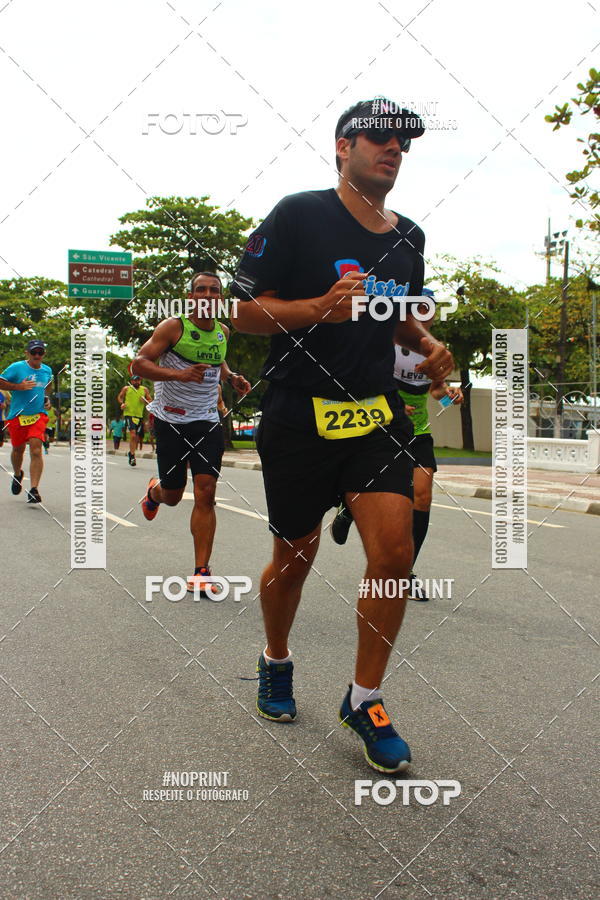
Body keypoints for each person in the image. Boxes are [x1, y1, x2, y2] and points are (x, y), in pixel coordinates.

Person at [231, 98, 453, 773]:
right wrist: (316, 309)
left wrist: (429, 341)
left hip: (373, 414)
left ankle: (365, 697)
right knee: (293, 558)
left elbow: (396, 318)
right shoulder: (298, 214)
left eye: (404, 144)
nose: (394, 151)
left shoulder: (408, 236)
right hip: (300, 411)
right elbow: (240, 311)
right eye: (380, 139)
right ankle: (275, 659)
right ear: (341, 145)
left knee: (393, 552)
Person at [332, 289, 464, 600]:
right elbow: (364, 381)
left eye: (427, 310)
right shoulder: (387, 342)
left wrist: (451, 396)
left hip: (417, 431)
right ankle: (347, 507)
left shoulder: (435, 351)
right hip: (382, 427)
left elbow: (437, 392)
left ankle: (405, 574)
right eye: (415, 308)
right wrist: (389, 403)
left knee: (423, 494)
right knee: (368, 488)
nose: (422, 315)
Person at [133, 272, 250, 591]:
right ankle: (154, 492)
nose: (208, 295)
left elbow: (219, 362)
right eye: (201, 290)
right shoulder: (174, 327)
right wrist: (179, 375)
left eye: (215, 291)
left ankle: (201, 572)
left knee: (206, 491)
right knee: (172, 494)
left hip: (207, 422)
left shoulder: (223, 331)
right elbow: (139, 364)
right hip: (170, 421)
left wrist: (232, 377)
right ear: (190, 298)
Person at [0, 339, 53, 503]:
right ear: (27, 353)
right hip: (17, 415)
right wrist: (18, 387)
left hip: (38, 415)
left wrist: (46, 399)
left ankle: (34, 489)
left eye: (40, 352)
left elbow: (47, 386)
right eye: (34, 352)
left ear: (44, 353)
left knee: (36, 449)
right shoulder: (17, 368)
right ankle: (17, 474)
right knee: (18, 450)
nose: (37, 355)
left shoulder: (47, 370)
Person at [117, 375, 151, 466]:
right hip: (129, 414)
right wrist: (122, 403)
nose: (136, 382)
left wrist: (145, 400)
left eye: (138, 380)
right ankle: (132, 455)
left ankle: (131, 453)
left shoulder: (144, 390)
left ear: (141, 381)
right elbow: (120, 397)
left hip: (139, 416)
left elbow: (150, 400)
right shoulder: (126, 388)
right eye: (135, 380)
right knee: (132, 434)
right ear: (131, 381)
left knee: (136, 437)